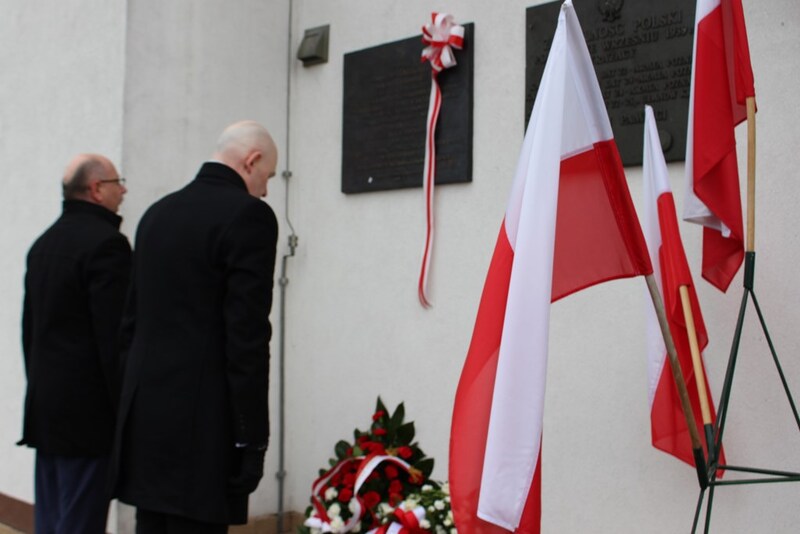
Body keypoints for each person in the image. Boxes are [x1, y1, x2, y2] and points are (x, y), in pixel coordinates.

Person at [112, 120, 279, 534]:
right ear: (251, 160)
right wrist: (251, 438)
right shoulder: (249, 215)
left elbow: (131, 325)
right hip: (203, 429)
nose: (265, 190)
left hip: (146, 422)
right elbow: (246, 337)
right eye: (268, 176)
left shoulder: (156, 214)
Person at [19, 153, 131, 533]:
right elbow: (114, 340)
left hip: (46, 412)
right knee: (79, 523)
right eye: (118, 183)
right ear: (97, 189)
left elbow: (30, 332)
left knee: (52, 520)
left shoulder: (44, 244)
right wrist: (126, 414)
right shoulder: (107, 246)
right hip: (88, 421)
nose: (124, 191)